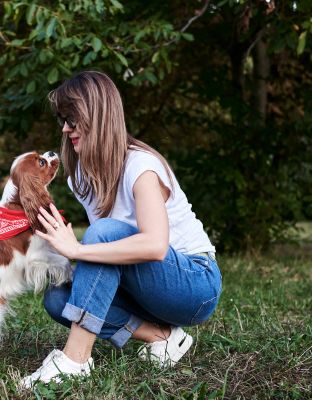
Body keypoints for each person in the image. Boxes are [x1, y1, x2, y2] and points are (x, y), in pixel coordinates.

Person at [20, 71, 222, 387]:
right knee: (59, 300)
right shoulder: (80, 178)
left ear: (96, 115)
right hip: (146, 288)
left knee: (102, 234)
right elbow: (108, 258)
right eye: (63, 119)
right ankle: (163, 336)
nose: (65, 128)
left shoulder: (140, 166)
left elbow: (154, 245)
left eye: (72, 119)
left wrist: (78, 250)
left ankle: (74, 361)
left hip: (194, 284)